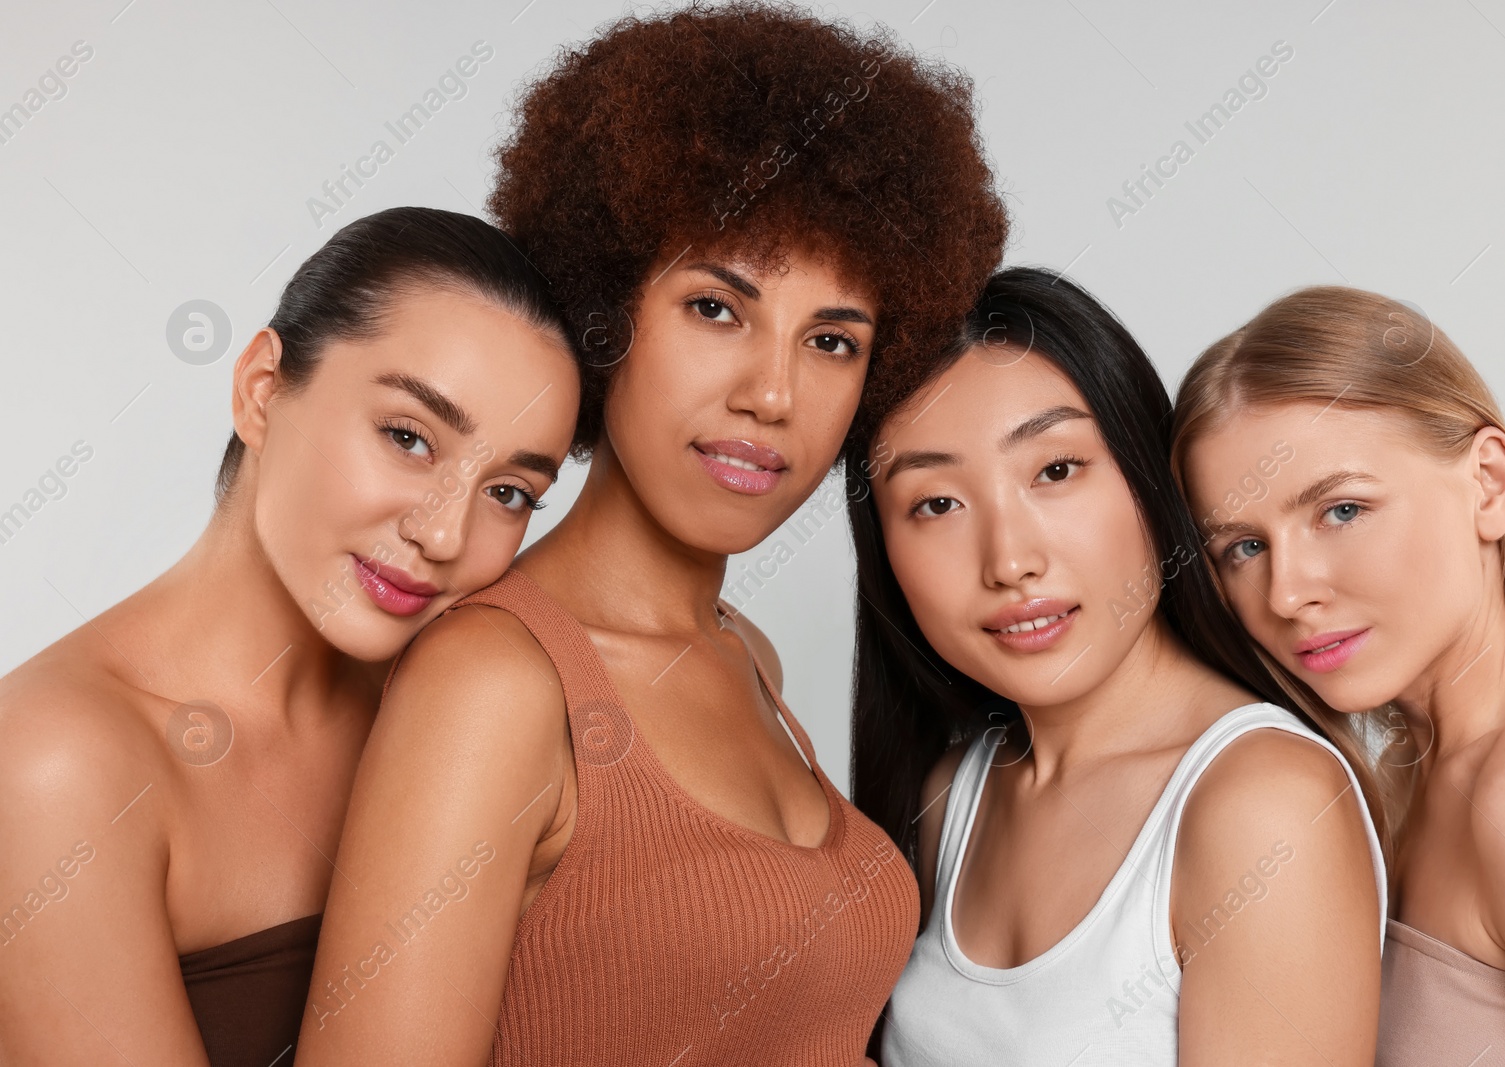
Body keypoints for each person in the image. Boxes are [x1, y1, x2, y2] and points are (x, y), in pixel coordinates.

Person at [296, 5, 1008, 1065]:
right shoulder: (494, 680)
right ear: (606, 309)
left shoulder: (744, 651)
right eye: (717, 308)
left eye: (830, 339)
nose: (772, 392)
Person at [0, 206, 582, 1066]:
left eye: (509, 492)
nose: (444, 534)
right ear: (262, 392)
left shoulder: (458, 715)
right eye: (409, 437)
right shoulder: (52, 764)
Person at [849, 268, 1385, 1065]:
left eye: (1055, 470)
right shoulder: (955, 791)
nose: (1010, 560)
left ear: (1145, 477)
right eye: (936, 503)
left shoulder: (1263, 805)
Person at [1173, 285, 1505, 1065]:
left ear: (1490, 482)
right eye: (1242, 547)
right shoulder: (1405, 772)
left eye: (1341, 510)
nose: (1288, 591)